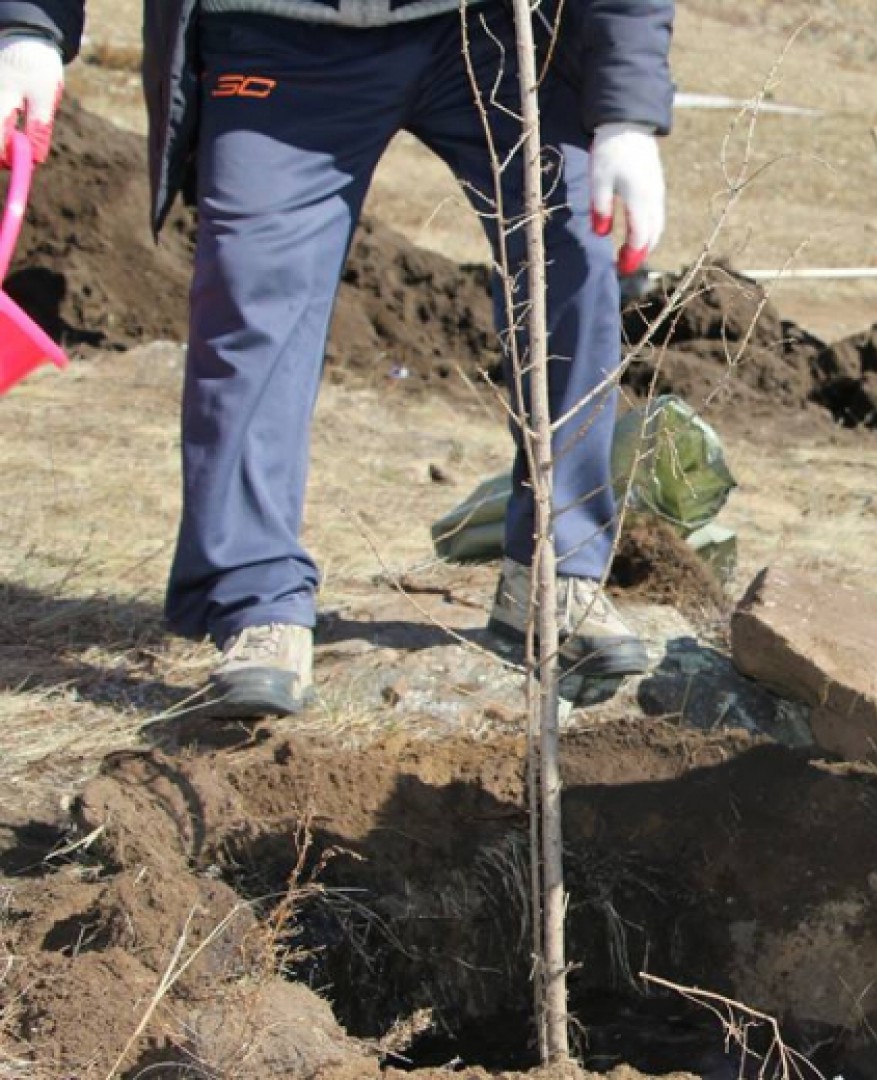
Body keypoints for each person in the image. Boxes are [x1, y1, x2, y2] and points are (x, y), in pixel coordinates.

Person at [0, 0, 673, 717]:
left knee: (570, 255)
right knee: (254, 298)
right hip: (281, 29)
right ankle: (256, 599)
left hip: (493, 31)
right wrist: (29, 26)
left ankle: (556, 570)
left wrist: (626, 112)